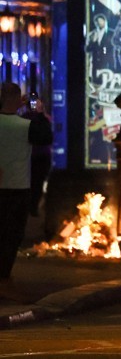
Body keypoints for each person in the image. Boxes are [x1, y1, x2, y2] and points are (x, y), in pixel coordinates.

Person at [0, 82, 52, 296]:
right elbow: (46, 137)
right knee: (12, 236)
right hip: (17, 187)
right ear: (17, 100)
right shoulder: (25, 126)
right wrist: (38, 112)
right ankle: (4, 278)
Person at [22, 93, 53, 217]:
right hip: (42, 155)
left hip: (29, 156)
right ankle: (33, 207)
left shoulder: (23, 119)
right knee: (38, 183)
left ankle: (29, 206)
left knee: (29, 183)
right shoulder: (46, 119)